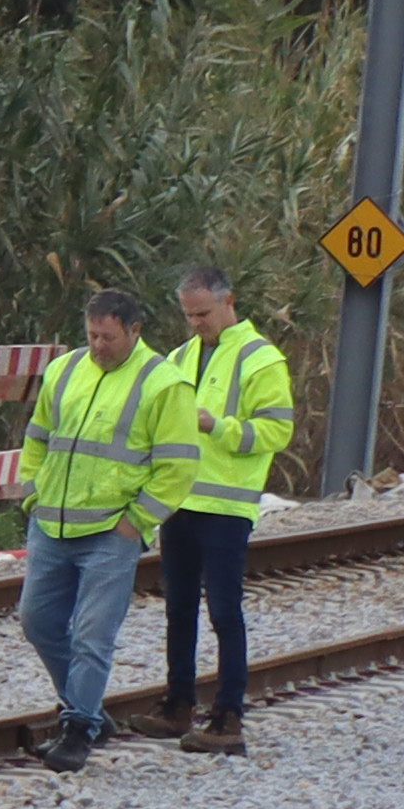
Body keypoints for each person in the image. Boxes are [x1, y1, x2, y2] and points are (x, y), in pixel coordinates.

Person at [140, 261, 294, 754]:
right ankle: (178, 703)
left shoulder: (260, 359)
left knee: (225, 609)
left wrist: (219, 426)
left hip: (227, 505)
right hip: (180, 501)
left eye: (203, 313)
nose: (196, 324)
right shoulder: (181, 356)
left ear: (229, 303)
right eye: (188, 315)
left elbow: (277, 430)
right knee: (179, 607)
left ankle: (229, 715)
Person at [14, 285, 166, 773]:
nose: (98, 346)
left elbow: (177, 465)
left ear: (134, 330)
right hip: (53, 524)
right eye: (92, 336)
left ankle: (78, 726)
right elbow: (38, 436)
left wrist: (137, 522)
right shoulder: (64, 370)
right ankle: (89, 711)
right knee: (37, 621)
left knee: (92, 635)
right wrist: (33, 494)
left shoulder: (162, 383)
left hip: (110, 532)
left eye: (108, 337)